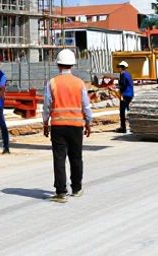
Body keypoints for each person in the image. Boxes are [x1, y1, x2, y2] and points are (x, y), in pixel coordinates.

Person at [42, 49, 92, 202]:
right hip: (76, 126)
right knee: (76, 157)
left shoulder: (53, 83)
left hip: (58, 126)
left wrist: (45, 123)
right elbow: (86, 106)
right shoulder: (79, 83)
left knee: (59, 158)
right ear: (72, 65)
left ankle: (61, 192)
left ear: (58, 65)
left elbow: (47, 106)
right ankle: (76, 188)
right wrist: (88, 122)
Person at [115, 61, 135, 133]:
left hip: (125, 95)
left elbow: (123, 85)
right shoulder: (128, 74)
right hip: (130, 94)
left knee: (122, 112)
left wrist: (117, 88)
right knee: (130, 111)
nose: (118, 69)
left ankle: (123, 128)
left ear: (122, 67)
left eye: (119, 67)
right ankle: (133, 127)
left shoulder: (123, 74)